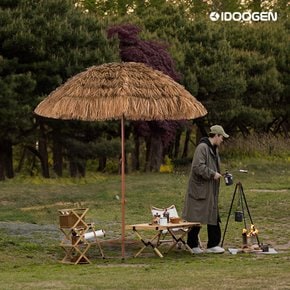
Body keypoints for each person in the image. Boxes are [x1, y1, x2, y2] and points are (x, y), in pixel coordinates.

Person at [182, 125, 229, 254]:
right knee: (196, 217)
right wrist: (213, 174)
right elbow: (198, 167)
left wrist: (219, 174)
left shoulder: (214, 149)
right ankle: (192, 245)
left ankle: (213, 244)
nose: (222, 140)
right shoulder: (202, 148)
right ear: (216, 136)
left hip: (210, 189)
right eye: (222, 137)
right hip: (199, 190)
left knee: (213, 215)